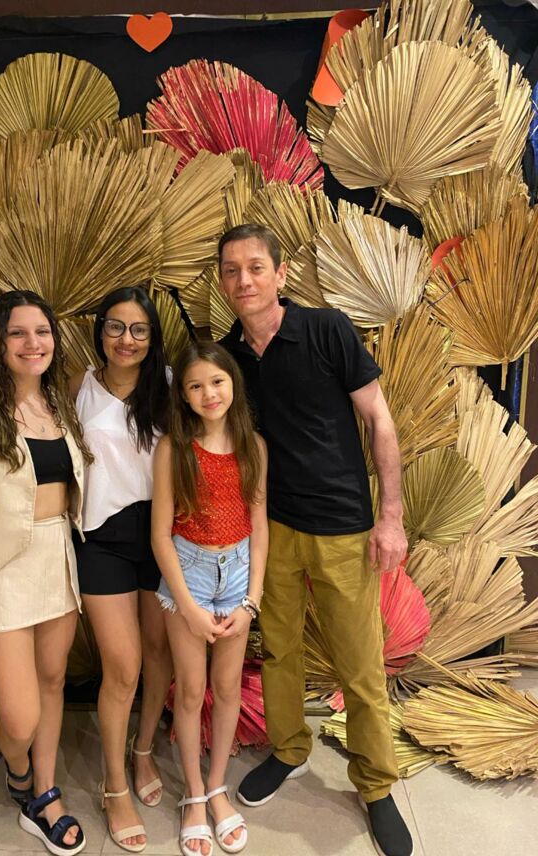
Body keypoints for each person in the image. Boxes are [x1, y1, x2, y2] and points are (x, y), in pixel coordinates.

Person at [218, 224, 413, 856]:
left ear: (279, 274)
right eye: (231, 270)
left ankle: (376, 785)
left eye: (255, 267)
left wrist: (391, 516)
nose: (244, 280)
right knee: (278, 650)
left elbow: (379, 419)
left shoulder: (327, 330)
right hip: (271, 529)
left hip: (343, 527)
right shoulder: (228, 357)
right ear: (221, 281)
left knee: (360, 664)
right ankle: (288, 749)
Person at [0, 290, 91, 856]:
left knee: (53, 683)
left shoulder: (60, 407)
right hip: (0, 570)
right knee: (19, 717)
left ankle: (44, 794)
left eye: (42, 331)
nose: (33, 343)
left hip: (58, 561)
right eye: (19, 333)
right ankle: (18, 766)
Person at [152, 340, 268, 856]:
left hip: (238, 575)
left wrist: (251, 601)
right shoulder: (173, 449)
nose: (208, 393)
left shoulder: (253, 447)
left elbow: (259, 525)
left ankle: (217, 785)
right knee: (191, 689)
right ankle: (194, 794)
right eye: (195, 385)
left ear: (233, 383)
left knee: (226, 688)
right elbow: (160, 535)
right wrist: (188, 607)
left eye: (217, 381)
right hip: (189, 575)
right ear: (183, 394)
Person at [70, 286, 172, 853]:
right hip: (101, 540)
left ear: (152, 337)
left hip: (162, 538)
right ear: (100, 330)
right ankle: (114, 785)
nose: (126, 339)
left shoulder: (171, 387)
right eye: (115, 326)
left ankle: (143, 749)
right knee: (124, 667)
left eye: (138, 329)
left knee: (159, 656)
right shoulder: (78, 388)